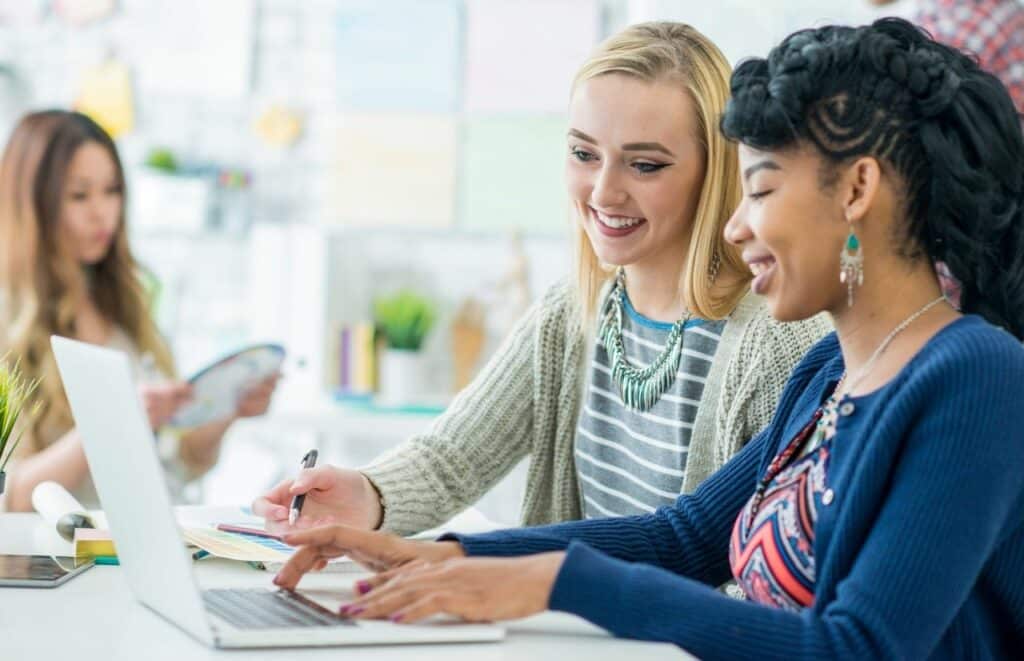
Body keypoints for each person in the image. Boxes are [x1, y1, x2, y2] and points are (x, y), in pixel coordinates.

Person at [273, 18, 1024, 659]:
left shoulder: (977, 375)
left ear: (857, 190)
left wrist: (562, 582)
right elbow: (687, 533)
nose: (735, 224)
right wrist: (445, 553)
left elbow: (854, 647)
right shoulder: (832, 369)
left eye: (758, 189)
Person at [253, 23, 830, 536]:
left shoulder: (775, 343)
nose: (604, 192)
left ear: (716, 171)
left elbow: (766, 577)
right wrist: (366, 496)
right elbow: (451, 457)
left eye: (645, 164)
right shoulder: (571, 313)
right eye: (584, 154)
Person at [0, 110, 278, 511]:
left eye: (112, 191)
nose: (103, 213)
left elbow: (178, 467)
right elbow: (13, 497)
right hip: (67, 559)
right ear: (33, 207)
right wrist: (113, 420)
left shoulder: (123, 304)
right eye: (79, 195)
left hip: (148, 538)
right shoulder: (10, 325)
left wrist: (224, 409)